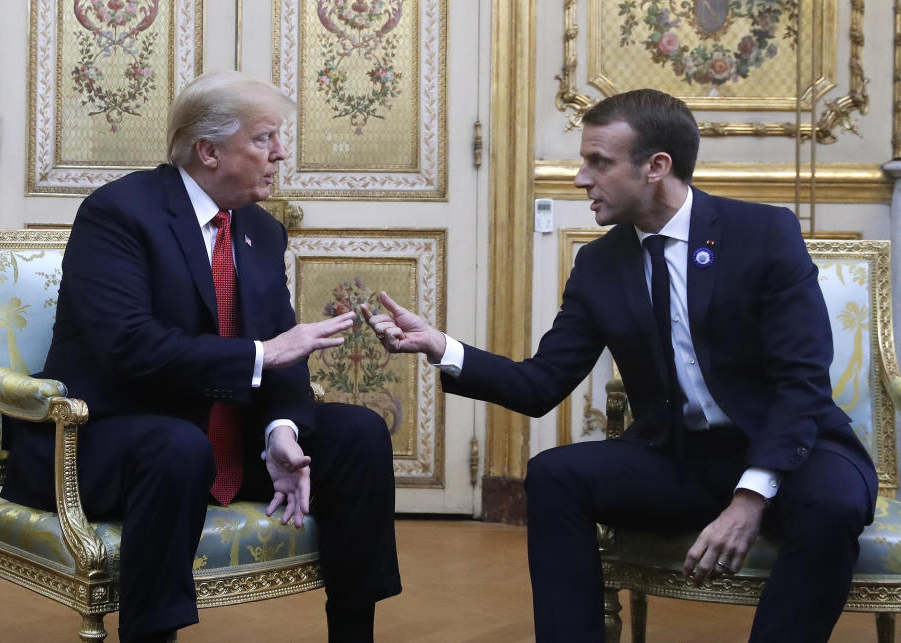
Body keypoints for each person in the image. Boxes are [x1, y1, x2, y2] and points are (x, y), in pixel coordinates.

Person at [362, 88, 876, 641]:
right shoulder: (600, 263)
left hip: (790, 451)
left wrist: (751, 497)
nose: (581, 178)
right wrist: (441, 346)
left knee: (834, 504)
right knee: (556, 476)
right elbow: (541, 384)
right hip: (682, 458)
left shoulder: (762, 235)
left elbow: (801, 383)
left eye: (598, 162)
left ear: (657, 166)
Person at [1, 70, 401, 642]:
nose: (281, 154)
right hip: (111, 436)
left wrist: (280, 431)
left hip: (225, 435)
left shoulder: (261, 229)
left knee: (358, 433)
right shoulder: (118, 213)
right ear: (209, 151)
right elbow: (129, 346)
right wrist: (261, 354)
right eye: (264, 139)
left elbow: (280, 347)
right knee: (177, 446)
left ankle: (355, 630)